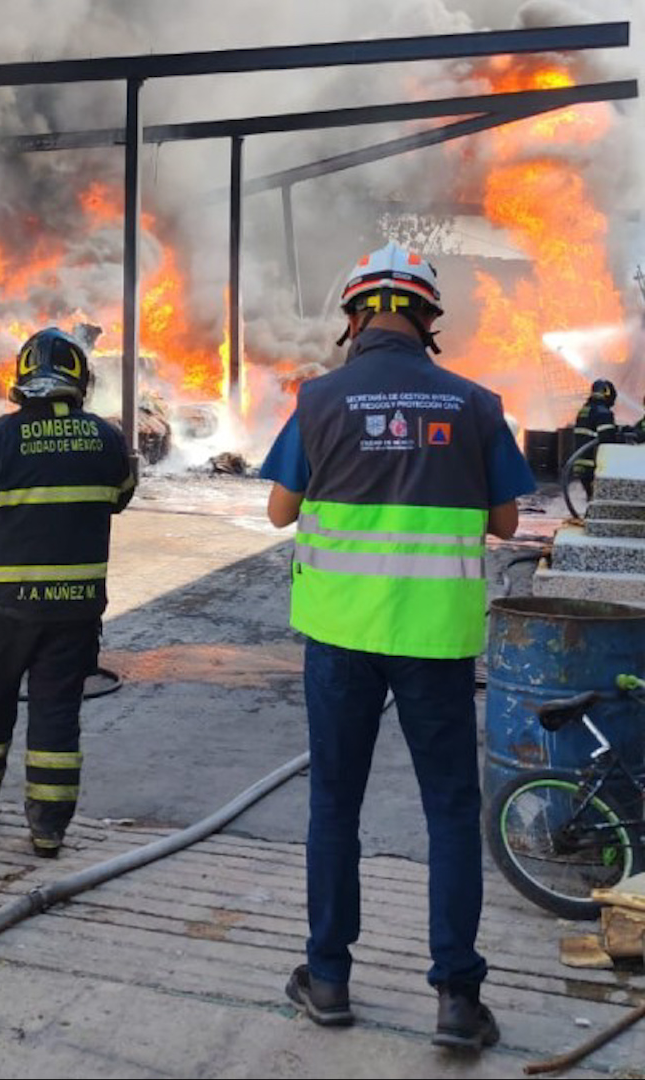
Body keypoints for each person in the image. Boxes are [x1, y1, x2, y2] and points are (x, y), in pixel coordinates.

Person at [259, 241, 535, 1051]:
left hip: (341, 637)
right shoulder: (476, 404)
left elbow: (280, 512)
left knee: (333, 806)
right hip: (434, 640)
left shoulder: (318, 400)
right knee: (450, 811)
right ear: (429, 320)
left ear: (354, 318)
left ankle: (330, 979)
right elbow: (509, 522)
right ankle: (456, 999)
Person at [0, 327, 134, 855]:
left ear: (22, 381)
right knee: (56, 713)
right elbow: (120, 497)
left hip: (1, 608)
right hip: (74, 611)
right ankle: (48, 829)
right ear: (81, 382)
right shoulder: (108, 439)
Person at [569, 378, 618, 502]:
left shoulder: (585, 410)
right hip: (595, 465)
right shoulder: (603, 413)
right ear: (607, 394)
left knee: (591, 499)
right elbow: (607, 439)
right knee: (599, 501)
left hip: (581, 463)